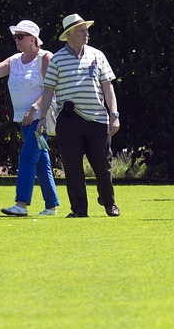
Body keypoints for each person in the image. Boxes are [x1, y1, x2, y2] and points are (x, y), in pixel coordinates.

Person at [31, 14, 122, 218]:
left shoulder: (97, 55)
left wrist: (114, 115)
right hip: (69, 119)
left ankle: (109, 203)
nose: (86, 33)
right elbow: (48, 91)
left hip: (97, 120)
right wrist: (42, 116)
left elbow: (108, 88)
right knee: (73, 168)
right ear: (70, 34)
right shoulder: (57, 59)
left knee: (102, 164)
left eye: (86, 29)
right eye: (81, 30)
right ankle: (79, 210)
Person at [0, 20, 61, 217]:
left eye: (21, 36)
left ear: (33, 39)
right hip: (23, 119)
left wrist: (34, 109)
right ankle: (51, 206)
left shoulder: (45, 58)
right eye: (15, 36)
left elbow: (51, 89)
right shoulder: (15, 60)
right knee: (40, 160)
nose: (17, 40)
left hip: (40, 117)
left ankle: (21, 204)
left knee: (26, 156)